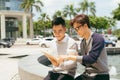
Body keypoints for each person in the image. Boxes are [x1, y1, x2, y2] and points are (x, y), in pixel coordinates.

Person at [61, 14, 110, 80]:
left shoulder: (98, 38)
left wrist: (72, 57)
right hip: (88, 74)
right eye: (75, 29)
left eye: (77, 28)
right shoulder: (83, 43)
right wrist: (77, 56)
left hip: (100, 75)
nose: (76, 31)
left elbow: (92, 59)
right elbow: (86, 63)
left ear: (85, 26)